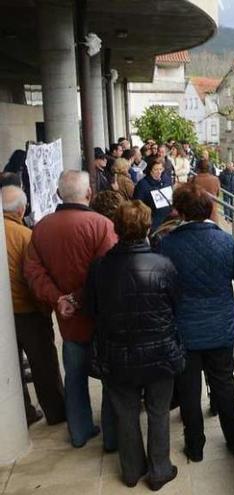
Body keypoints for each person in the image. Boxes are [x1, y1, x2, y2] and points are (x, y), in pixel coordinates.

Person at [82, 200, 184, 489]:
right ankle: (159, 469)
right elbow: (177, 305)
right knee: (158, 410)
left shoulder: (100, 267)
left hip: (118, 354)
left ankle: (132, 470)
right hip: (158, 352)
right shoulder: (163, 265)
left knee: (126, 413)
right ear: (147, 227)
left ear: (116, 229)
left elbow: (91, 309)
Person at [158, 183, 234, 462]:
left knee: (189, 391)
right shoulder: (226, 241)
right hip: (219, 331)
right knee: (224, 385)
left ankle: (195, 446)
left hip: (184, 332)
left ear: (179, 211)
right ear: (209, 209)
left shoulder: (167, 244)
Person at [25, 170, 117, 449]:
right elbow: (109, 272)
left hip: (67, 322)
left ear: (57, 195)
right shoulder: (101, 225)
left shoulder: (41, 228)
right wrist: (76, 298)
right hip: (101, 320)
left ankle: (79, 432)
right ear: (89, 194)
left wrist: (60, 299)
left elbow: (32, 272)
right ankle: (112, 438)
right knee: (111, 379)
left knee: (74, 379)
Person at [3, 186, 65, 426]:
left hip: (5, 313)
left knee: (10, 366)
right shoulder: (24, 235)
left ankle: (23, 413)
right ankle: (56, 411)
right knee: (43, 364)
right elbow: (34, 276)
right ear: (22, 208)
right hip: (27, 311)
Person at [133, 159, 173, 232]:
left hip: (167, 220)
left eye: (161, 169)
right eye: (156, 169)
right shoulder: (142, 185)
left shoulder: (166, 180)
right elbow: (137, 203)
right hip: (153, 221)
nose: (159, 172)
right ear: (150, 170)